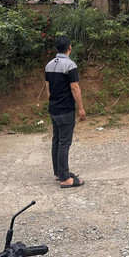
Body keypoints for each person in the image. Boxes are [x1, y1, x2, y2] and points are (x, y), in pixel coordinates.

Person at [45, 35, 87, 187]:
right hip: (66, 111)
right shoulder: (70, 65)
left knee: (56, 141)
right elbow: (74, 87)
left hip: (54, 109)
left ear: (56, 48)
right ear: (70, 47)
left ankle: (59, 172)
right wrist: (81, 108)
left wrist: (53, 102)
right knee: (64, 143)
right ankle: (65, 179)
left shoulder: (49, 65)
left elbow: (48, 87)